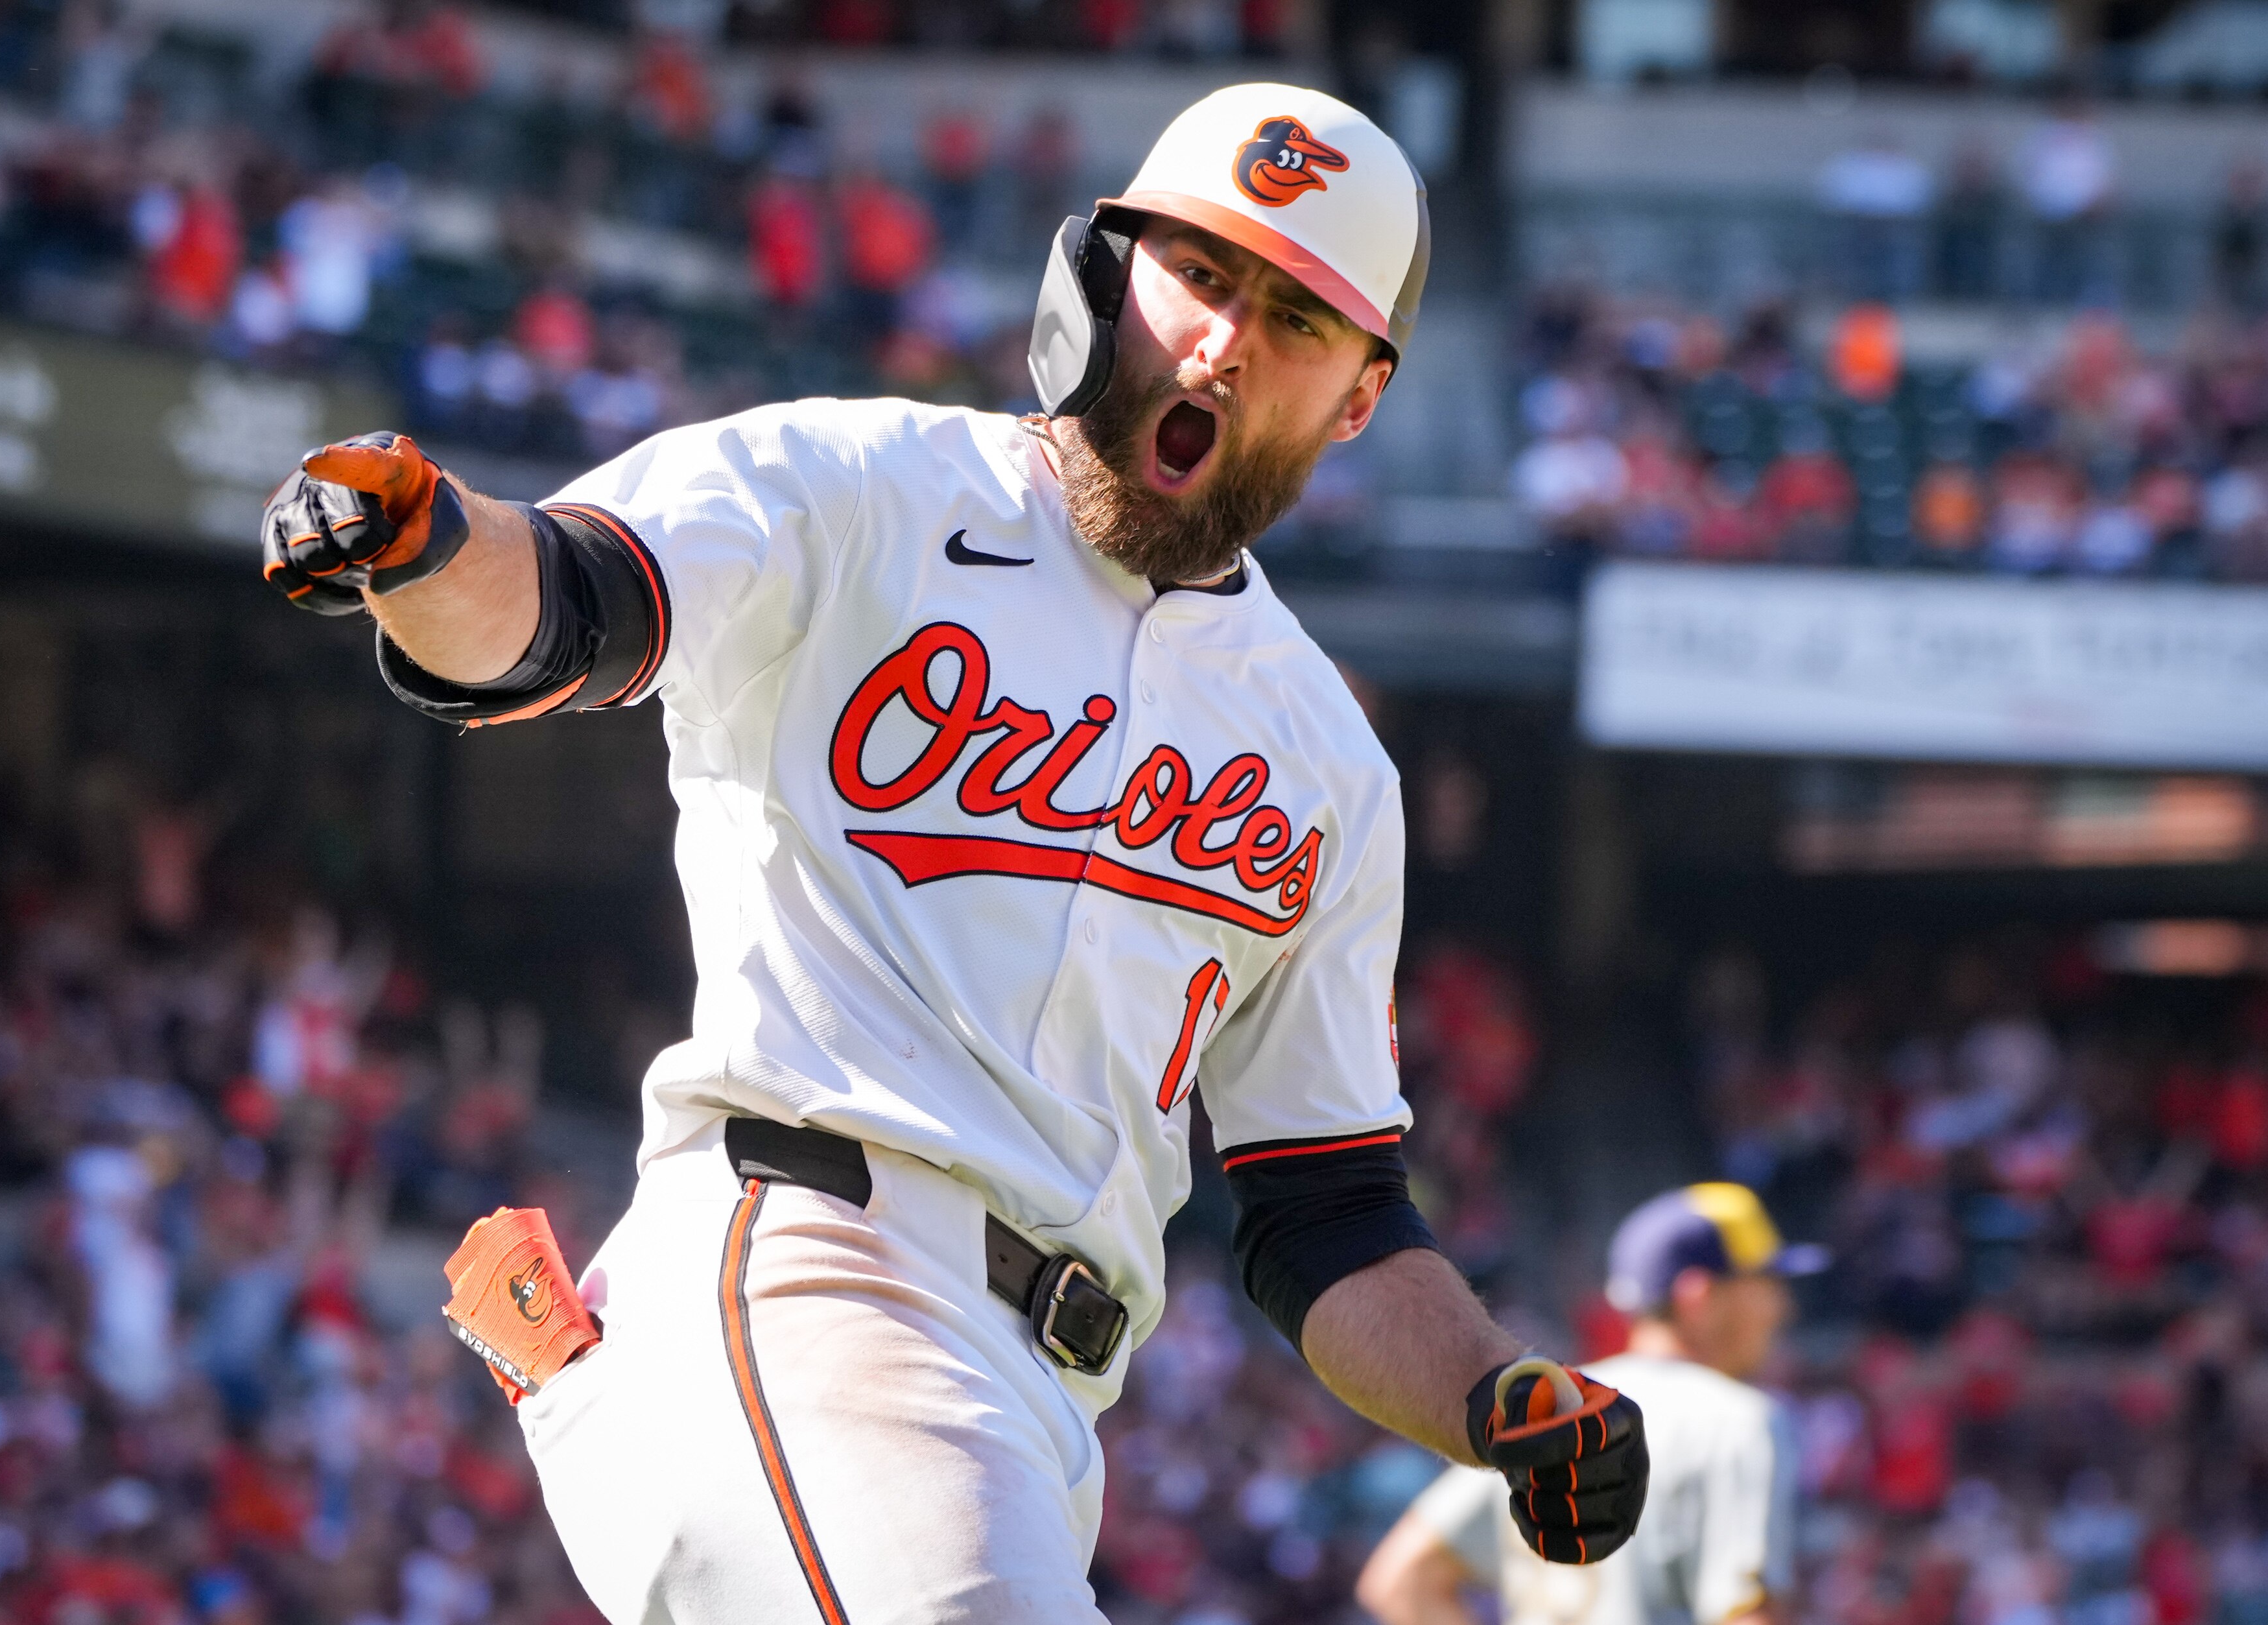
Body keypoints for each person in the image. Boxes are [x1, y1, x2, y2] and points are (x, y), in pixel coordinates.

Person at [258, 84, 1649, 1623]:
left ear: (1359, 398)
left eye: (1296, 321)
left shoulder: (1327, 759)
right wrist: (428, 548)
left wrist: (1492, 1396)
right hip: (807, 1278)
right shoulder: (862, 490)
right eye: (1202, 273)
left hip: (1040, 1416)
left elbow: (1327, 1218)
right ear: (1106, 273)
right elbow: (565, 607)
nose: (1225, 342)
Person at [1359, 1183, 1819, 1625]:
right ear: (1697, 1297)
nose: (1782, 1308)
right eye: (1765, 1283)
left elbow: (1401, 1580)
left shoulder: (1553, 1410)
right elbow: (1746, 1615)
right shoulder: (1737, 1421)